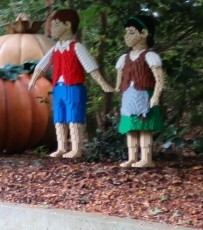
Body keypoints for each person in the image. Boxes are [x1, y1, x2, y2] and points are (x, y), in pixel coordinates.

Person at [28, 9, 114, 158]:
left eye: (56, 24)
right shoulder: (55, 49)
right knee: (59, 118)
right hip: (59, 88)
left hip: (74, 87)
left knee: (74, 118)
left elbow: (90, 66)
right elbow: (42, 65)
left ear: (67, 25)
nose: (52, 29)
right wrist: (33, 80)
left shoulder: (77, 47)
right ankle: (61, 148)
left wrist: (103, 84)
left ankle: (76, 149)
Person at [114, 15, 164, 168]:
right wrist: (116, 88)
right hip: (129, 96)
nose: (126, 36)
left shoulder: (150, 56)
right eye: (126, 32)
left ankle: (146, 159)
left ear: (144, 33)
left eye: (131, 32)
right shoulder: (124, 58)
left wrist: (155, 96)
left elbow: (159, 79)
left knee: (145, 128)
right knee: (131, 129)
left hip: (144, 96)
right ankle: (132, 157)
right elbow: (120, 77)